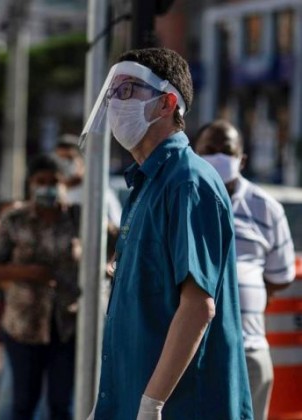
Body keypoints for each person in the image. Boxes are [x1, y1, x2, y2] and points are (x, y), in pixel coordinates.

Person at [81, 47, 252, 418]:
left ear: (166, 103)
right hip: (136, 399)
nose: (114, 103)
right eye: (112, 93)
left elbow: (197, 306)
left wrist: (151, 403)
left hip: (183, 406)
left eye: (127, 91)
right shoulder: (147, 184)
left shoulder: (188, 183)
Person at [194, 120, 296, 420]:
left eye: (227, 150)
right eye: (209, 150)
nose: (218, 157)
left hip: (248, 350)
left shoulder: (266, 208)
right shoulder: (184, 200)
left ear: (242, 158)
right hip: (191, 351)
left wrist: (243, 298)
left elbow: (279, 277)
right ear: (194, 153)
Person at [0, 154, 80, 419]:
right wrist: (25, 272)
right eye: (41, 181)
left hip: (66, 325)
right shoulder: (15, 219)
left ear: (64, 184)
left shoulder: (80, 218)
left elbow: (117, 243)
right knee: (24, 402)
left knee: (62, 404)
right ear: (30, 184)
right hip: (23, 325)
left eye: (54, 181)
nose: (47, 186)